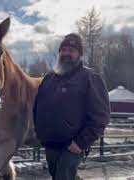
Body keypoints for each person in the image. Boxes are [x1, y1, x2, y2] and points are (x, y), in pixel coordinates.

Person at [33, 33, 110, 180]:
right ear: (59, 53)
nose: (67, 53)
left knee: (63, 177)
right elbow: (38, 106)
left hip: (72, 145)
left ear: (79, 55)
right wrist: (40, 132)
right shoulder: (49, 78)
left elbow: (101, 116)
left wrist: (81, 143)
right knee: (59, 176)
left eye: (72, 50)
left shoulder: (89, 77)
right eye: (64, 49)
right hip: (50, 144)